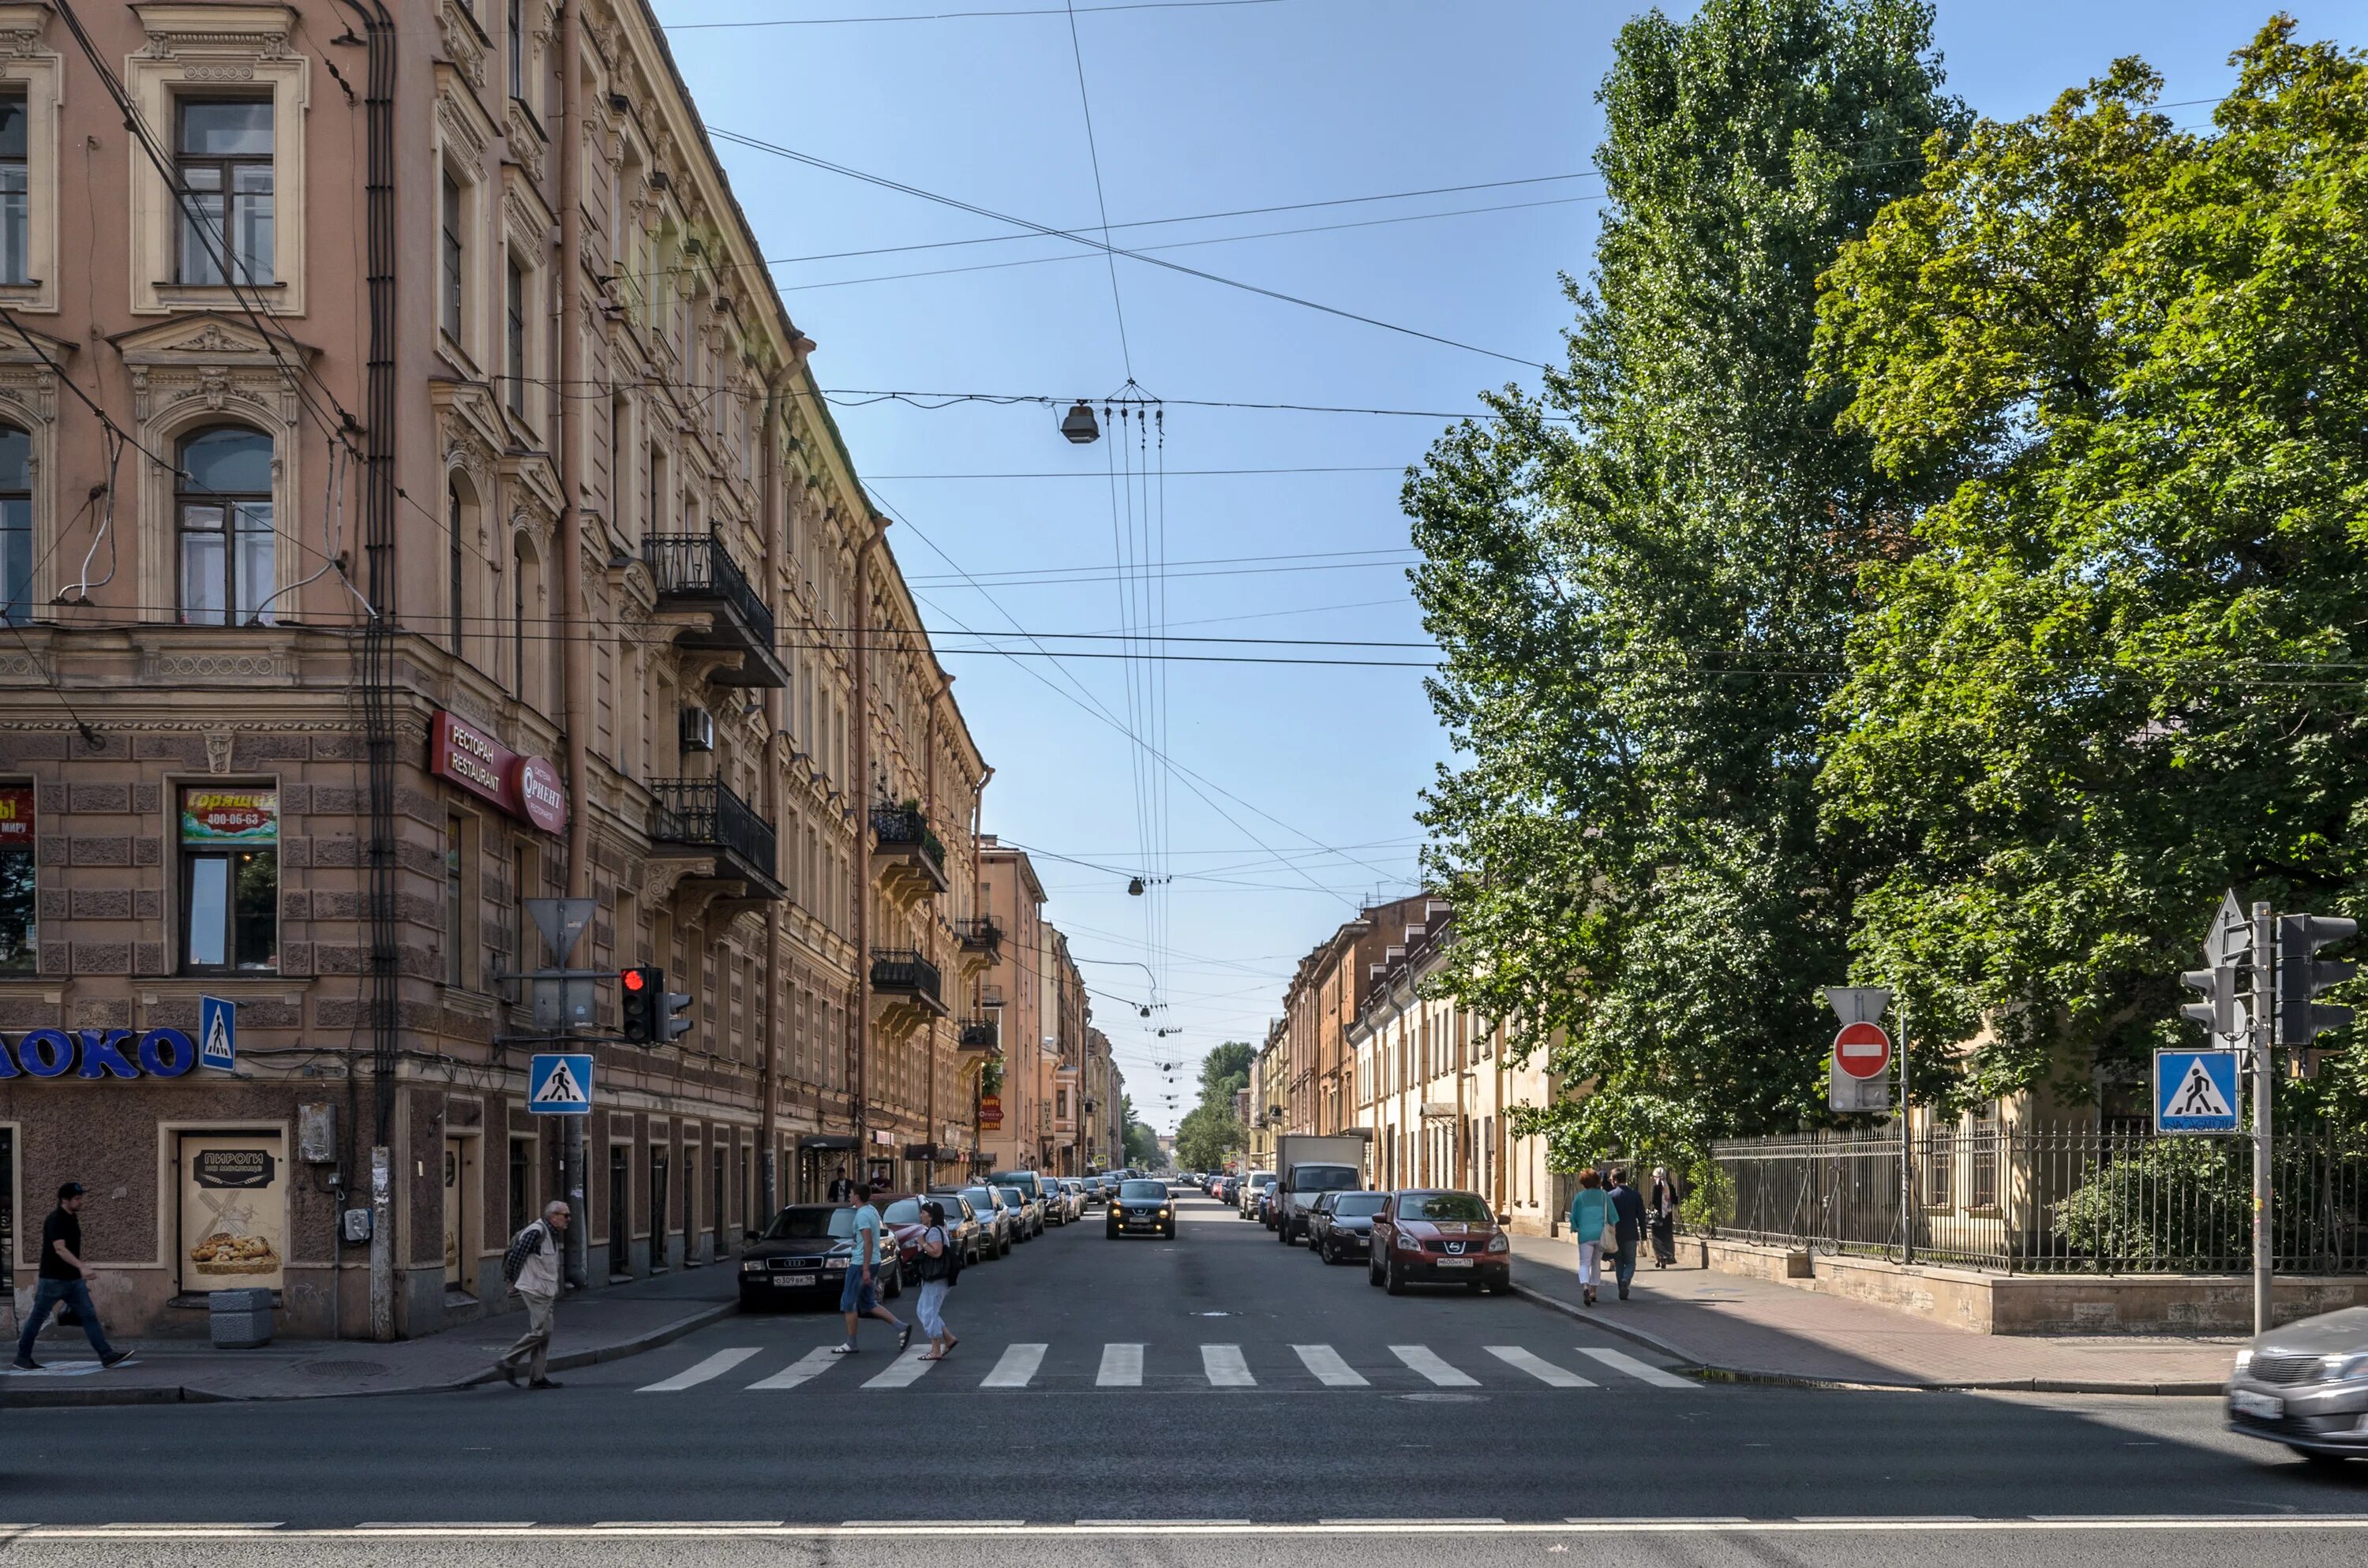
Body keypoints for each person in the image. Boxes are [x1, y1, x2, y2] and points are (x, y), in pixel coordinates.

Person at [13, 1183, 134, 1371]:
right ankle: (22, 1358)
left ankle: (107, 1356)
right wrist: (82, 1267)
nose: (80, 1202)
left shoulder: (72, 1218)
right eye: (77, 1199)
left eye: (80, 1198)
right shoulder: (56, 1220)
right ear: (64, 1200)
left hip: (73, 1281)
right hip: (53, 1279)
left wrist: (80, 1274)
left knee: (89, 1316)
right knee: (38, 1317)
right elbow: (59, 1248)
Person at [495, 1199, 571, 1390]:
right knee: (542, 1331)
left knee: (545, 1333)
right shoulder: (537, 1231)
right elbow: (517, 1255)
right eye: (565, 1215)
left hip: (544, 1290)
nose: (569, 1219)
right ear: (553, 1216)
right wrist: (512, 1281)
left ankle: (538, 1377)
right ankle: (508, 1361)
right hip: (534, 1288)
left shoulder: (551, 1233)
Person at [832, 1192, 910, 1356]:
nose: (850, 1196)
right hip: (874, 1260)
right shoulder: (872, 1210)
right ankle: (900, 1327)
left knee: (848, 1302)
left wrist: (865, 1269)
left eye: (852, 1194)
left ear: (857, 1197)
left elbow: (868, 1241)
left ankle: (851, 1343)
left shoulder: (862, 1215)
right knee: (868, 1303)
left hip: (860, 1263)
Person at [914, 1201, 958, 1361]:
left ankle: (935, 1350)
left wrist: (922, 1242)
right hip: (936, 1278)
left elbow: (936, 1253)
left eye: (924, 1213)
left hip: (936, 1278)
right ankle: (949, 1338)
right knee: (923, 1310)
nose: (921, 1215)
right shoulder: (938, 1229)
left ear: (931, 1216)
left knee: (929, 1312)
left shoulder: (933, 1231)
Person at [1565, 1167, 1613, 1308]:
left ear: (1584, 1183)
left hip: (1585, 1234)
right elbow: (1613, 1215)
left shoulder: (1580, 1197)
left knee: (1584, 1263)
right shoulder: (1605, 1196)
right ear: (1598, 1181)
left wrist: (1575, 1228)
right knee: (1596, 1262)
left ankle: (1585, 1286)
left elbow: (1573, 1217)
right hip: (1601, 1234)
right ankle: (1593, 1292)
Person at [1606, 1166, 1647, 1300]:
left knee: (1619, 1261)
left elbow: (1607, 1216)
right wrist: (1644, 1234)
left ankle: (1621, 1287)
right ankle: (1626, 1280)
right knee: (1631, 1262)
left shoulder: (1611, 1196)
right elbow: (1641, 1216)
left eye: (1612, 1179)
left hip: (1616, 1234)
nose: (1611, 1182)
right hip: (1631, 1233)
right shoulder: (1635, 1195)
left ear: (1617, 1180)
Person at [1647, 1166, 1680, 1268]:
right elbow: (1675, 1200)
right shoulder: (1670, 1186)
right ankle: (1666, 1257)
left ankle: (1659, 1257)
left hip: (1657, 1216)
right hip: (1667, 1216)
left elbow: (1653, 1201)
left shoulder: (1655, 1187)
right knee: (1666, 1236)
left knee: (1657, 1237)